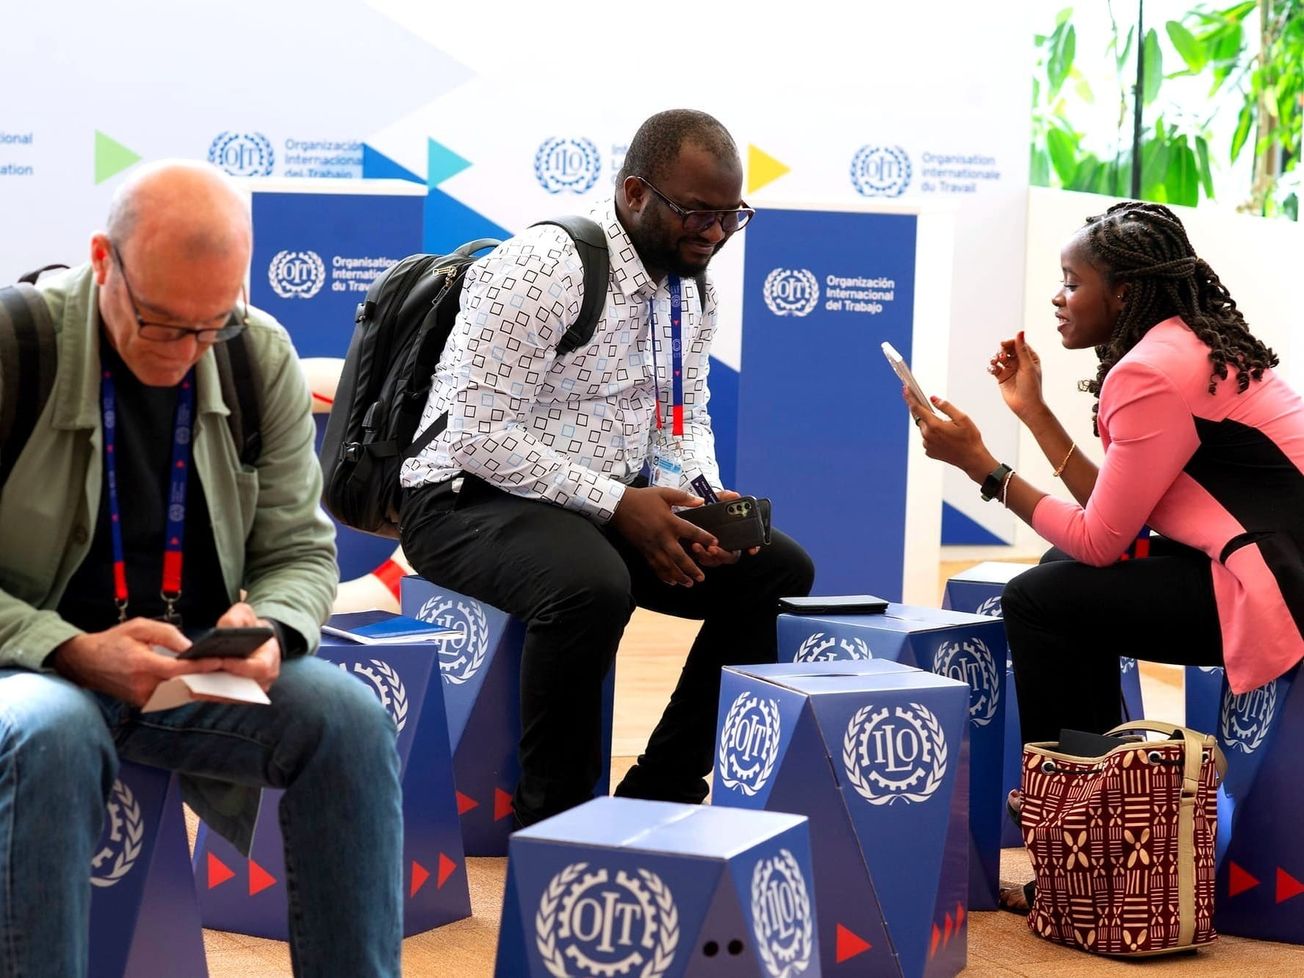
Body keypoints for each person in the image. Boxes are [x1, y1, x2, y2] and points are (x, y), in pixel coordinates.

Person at [0, 161, 402, 977]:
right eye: (161, 325)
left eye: (210, 325)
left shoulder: (256, 353)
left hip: (185, 674)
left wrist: (273, 628)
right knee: (54, 734)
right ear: (103, 262)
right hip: (29, 668)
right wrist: (70, 648)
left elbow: (299, 551)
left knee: (349, 722)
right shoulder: (18, 347)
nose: (186, 353)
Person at [399, 109, 815, 827]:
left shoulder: (692, 286)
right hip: (463, 498)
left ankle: (662, 792)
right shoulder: (542, 267)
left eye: (731, 216)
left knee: (776, 570)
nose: (715, 233)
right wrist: (618, 503)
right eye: (697, 213)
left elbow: (684, 418)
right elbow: (476, 434)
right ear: (634, 193)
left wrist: (698, 498)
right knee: (592, 585)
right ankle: (555, 826)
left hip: (597, 506)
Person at [902, 200, 1304, 909]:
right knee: (1057, 577)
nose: (1057, 298)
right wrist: (1033, 411)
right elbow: (1114, 514)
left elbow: (1099, 537)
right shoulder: (1186, 347)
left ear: (1123, 293)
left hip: (1272, 588)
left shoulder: (1148, 373)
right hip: (1266, 566)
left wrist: (983, 467)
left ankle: (1076, 847)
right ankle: (1102, 820)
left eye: (1071, 281)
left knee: (1039, 600)